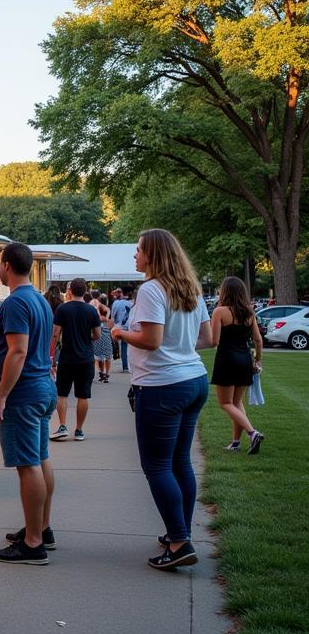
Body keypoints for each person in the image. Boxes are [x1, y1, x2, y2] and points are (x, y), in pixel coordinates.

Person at [111, 229, 212, 572]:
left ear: (152, 255)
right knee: (180, 461)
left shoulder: (152, 290)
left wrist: (120, 332)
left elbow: (151, 340)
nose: (135, 256)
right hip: (193, 380)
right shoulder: (191, 290)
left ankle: (180, 541)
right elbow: (207, 338)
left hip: (162, 387)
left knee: (156, 466)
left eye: (138, 251)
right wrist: (178, 348)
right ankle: (177, 533)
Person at [0, 243, 57, 564]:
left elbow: (17, 351)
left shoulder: (15, 303)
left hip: (23, 394)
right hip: (41, 387)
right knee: (40, 459)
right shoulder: (39, 299)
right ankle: (41, 528)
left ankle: (32, 544)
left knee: (28, 464)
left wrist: (0, 397)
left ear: (7, 266)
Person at [210, 276, 264, 454]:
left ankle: (252, 432)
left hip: (226, 359)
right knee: (236, 402)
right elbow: (258, 340)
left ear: (225, 292)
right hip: (245, 359)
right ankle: (235, 443)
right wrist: (258, 360)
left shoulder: (219, 311)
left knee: (225, 403)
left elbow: (214, 340)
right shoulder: (249, 312)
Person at [50, 277, 101, 441]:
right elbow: (97, 334)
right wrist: (86, 338)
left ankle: (62, 425)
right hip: (86, 358)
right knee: (83, 395)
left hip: (67, 357)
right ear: (85, 291)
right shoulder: (92, 311)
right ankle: (79, 430)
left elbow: (56, 333)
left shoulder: (63, 309)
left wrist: (51, 354)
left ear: (70, 291)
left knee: (62, 394)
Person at [111, 286, 134, 373]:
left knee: (123, 347)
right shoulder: (132, 304)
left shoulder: (116, 303)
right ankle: (129, 366)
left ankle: (125, 366)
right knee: (129, 347)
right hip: (130, 328)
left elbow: (113, 316)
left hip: (119, 327)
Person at [92, 292, 113, 383]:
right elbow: (110, 322)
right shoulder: (108, 310)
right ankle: (107, 374)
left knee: (98, 356)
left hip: (98, 334)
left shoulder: (96, 309)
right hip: (107, 334)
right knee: (108, 356)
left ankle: (101, 373)